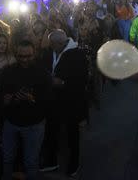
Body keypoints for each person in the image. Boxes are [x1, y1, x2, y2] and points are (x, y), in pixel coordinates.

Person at [0, 40, 52, 180]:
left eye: (28, 56)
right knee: (7, 158)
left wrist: (33, 98)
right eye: (21, 56)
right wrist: (6, 99)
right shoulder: (8, 71)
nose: (24, 59)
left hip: (34, 124)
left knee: (31, 162)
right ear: (16, 55)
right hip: (11, 122)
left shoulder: (42, 73)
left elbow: (49, 98)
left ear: (34, 54)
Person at [41, 30, 89, 176]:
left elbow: (82, 80)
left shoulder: (78, 54)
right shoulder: (51, 52)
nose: (50, 47)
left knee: (72, 133)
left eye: (52, 45)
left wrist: (63, 83)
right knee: (51, 131)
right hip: (53, 100)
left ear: (60, 43)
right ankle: (51, 161)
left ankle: (74, 163)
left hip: (71, 101)